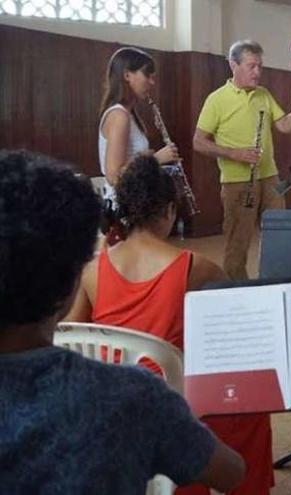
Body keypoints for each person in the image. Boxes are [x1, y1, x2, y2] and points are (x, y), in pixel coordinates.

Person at [0, 149, 245, 493]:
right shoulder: (134, 396)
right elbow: (231, 472)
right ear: (69, 282)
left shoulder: (94, 273)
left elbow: (74, 331)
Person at [64, 154, 274, 495]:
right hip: (172, 402)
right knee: (250, 410)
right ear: (168, 211)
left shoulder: (93, 269)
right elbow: (236, 337)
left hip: (110, 399)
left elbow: (71, 338)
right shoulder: (197, 267)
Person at [193, 39, 291, 280]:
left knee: (280, 235)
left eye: (260, 66)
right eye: (251, 66)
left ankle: (275, 284)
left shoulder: (263, 94)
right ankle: (239, 294)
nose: (258, 72)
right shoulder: (216, 100)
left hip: (270, 178)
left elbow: (285, 125)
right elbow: (198, 142)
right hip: (237, 181)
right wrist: (234, 154)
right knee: (237, 244)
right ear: (233, 65)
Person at [99, 47, 179, 203]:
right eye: (147, 75)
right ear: (127, 75)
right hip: (124, 206)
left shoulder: (129, 114)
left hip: (135, 201)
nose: (152, 82)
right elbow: (114, 176)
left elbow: (131, 160)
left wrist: (147, 156)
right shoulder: (119, 116)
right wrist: (155, 159)